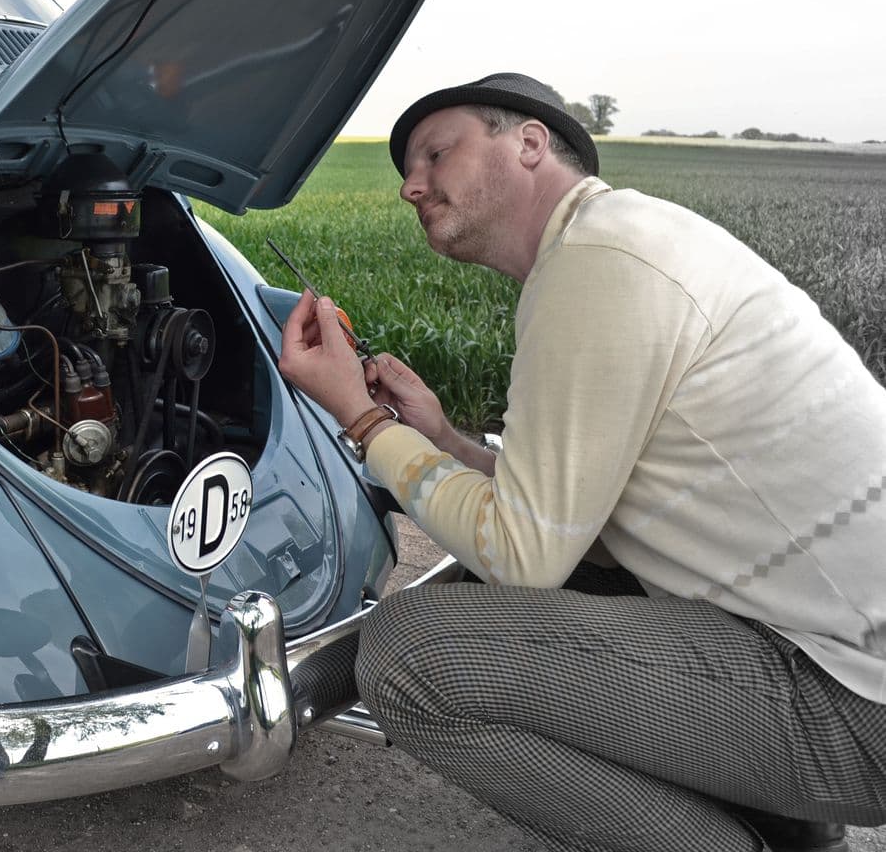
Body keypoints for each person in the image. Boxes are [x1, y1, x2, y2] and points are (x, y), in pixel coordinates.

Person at [277, 72, 886, 852]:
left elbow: (522, 555)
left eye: (436, 153)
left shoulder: (597, 261)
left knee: (410, 655)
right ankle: (798, 835)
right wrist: (443, 440)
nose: (410, 186)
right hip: (832, 651)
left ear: (530, 143)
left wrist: (363, 421)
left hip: (853, 695)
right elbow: (570, 525)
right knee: (561, 581)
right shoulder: (620, 239)